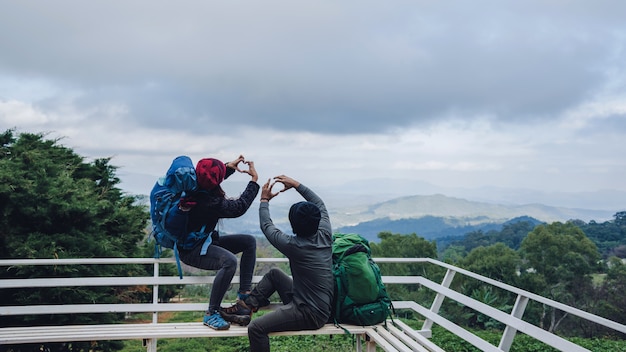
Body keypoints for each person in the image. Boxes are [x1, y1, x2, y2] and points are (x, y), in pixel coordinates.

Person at [220, 175, 333, 352]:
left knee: (256, 328)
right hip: (311, 303)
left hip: (310, 314)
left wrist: (264, 198)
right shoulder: (325, 233)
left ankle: (247, 309)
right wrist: (296, 184)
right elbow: (319, 204)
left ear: (294, 226)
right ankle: (246, 307)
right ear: (317, 221)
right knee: (274, 274)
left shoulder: (295, 246)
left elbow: (266, 226)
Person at [178, 155, 260, 330]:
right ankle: (211, 312)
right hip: (192, 250)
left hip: (205, 241)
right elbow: (239, 206)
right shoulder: (209, 202)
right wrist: (254, 181)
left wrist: (228, 167)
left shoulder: (194, 185)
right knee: (229, 261)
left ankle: (244, 296)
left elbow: (209, 180)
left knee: (249, 242)